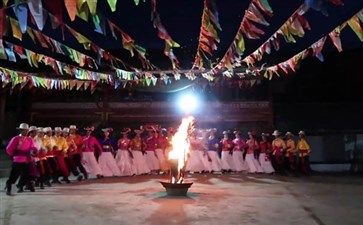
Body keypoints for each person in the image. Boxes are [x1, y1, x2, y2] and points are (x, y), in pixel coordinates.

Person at [5, 123, 37, 196]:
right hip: (17, 159)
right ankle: (9, 189)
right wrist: (15, 154)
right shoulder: (15, 138)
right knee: (14, 175)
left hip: (26, 160)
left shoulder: (29, 139)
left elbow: (32, 147)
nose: (25, 132)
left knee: (27, 174)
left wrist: (32, 151)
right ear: (21, 131)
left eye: (27, 131)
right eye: (24, 130)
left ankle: (21, 186)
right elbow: (9, 149)